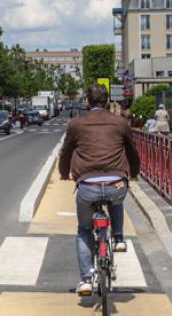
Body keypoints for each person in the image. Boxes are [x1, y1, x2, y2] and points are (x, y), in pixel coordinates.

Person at [59, 84, 141, 296]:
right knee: (116, 196)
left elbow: (66, 152)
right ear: (106, 102)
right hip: (117, 183)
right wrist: (134, 172)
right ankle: (120, 238)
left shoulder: (76, 123)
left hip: (87, 185)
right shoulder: (120, 122)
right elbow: (132, 152)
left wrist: (64, 173)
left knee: (84, 230)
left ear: (87, 101)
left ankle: (86, 279)